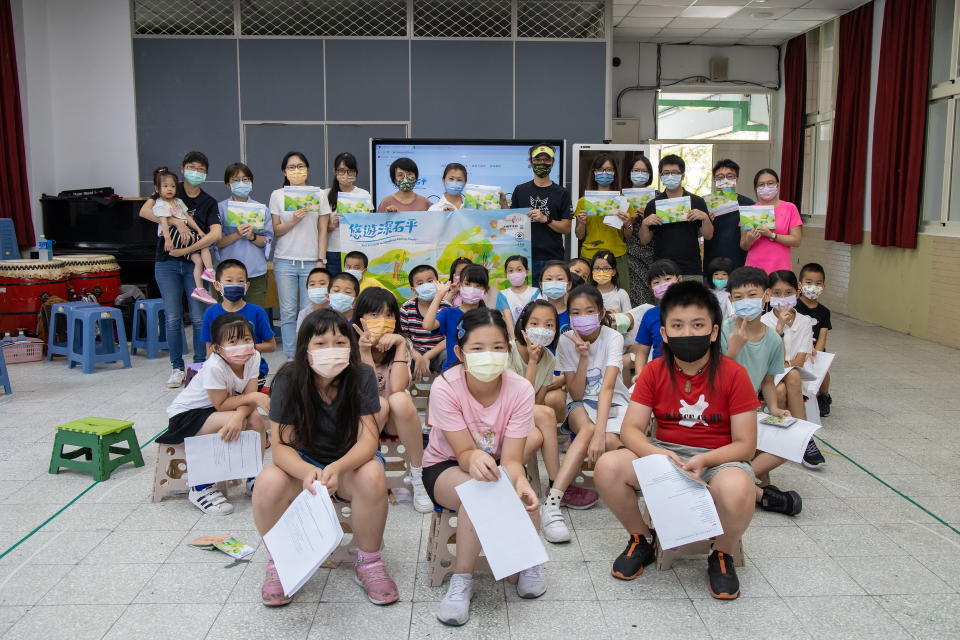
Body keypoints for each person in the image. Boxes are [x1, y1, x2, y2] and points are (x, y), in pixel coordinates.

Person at [594, 281, 759, 599]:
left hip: (719, 458)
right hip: (664, 454)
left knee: (739, 489)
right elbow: (630, 431)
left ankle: (721, 553)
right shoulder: (654, 371)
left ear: (713, 332)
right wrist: (660, 456)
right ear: (665, 333)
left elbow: (745, 444)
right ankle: (642, 539)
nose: (687, 333)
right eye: (678, 326)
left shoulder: (733, 374)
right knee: (608, 467)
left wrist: (705, 460)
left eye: (697, 325)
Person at [253, 309, 399, 607]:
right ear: (305, 349)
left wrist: (337, 467)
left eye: (339, 342)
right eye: (320, 343)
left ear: (350, 346)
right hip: (301, 462)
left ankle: (369, 562)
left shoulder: (361, 376)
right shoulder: (288, 379)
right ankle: (280, 563)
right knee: (267, 481)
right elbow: (280, 447)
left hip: (349, 464)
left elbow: (368, 440)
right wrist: (307, 470)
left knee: (373, 474)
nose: (331, 350)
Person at [421, 308, 546, 626]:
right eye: (477, 348)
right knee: (476, 493)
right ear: (460, 353)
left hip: (500, 462)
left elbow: (515, 459)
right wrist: (474, 458)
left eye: (497, 347)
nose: (488, 355)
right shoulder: (445, 387)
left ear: (508, 349)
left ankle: (528, 561)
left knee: (522, 491)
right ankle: (462, 580)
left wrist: (519, 482)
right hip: (446, 464)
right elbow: (462, 451)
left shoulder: (520, 389)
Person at [160, 313, 268, 515]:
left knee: (256, 421)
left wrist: (240, 414)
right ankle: (200, 487)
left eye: (246, 339)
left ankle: (254, 478)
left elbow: (249, 396)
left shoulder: (254, 357)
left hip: (218, 409)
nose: (242, 346)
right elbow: (222, 404)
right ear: (217, 348)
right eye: (232, 341)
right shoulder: (214, 365)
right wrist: (239, 414)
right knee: (235, 420)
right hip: (187, 415)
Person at [510, 300, 599, 545]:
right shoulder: (507, 350)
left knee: (543, 421)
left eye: (549, 324)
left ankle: (554, 487)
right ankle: (558, 486)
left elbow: (537, 400)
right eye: (535, 323)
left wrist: (538, 362)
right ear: (523, 326)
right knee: (547, 415)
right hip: (503, 414)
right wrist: (530, 361)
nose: (542, 329)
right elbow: (520, 400)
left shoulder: (548, 358)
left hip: (526, 416)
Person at [720, 267, 804, 516]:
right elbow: (717, 379)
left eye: (752, 295)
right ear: (730, 301)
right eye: (738, 297)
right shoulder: (723, 330)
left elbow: (767, 381)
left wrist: (775, 408)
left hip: (750, 411)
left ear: (766, 296)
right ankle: (748, 480)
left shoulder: (773, 340)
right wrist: (733, 351)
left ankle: (742, 477)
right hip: (720, 409)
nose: (746, 302)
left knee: (793, 440)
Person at [139, 151, 223, 387]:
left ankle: (198, 366)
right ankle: (176, 367)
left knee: (198, 318)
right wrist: (174, 221)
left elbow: (214, 234)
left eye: (201, 169)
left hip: (193, 263)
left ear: (205, 173)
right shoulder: (167, 188)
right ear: (183, 168)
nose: (195, 172)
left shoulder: (208, 202)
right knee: (174, 317)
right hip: (166, 263)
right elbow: (145, 211)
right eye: (192, 167)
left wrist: (187, 249)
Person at [352, 288, 432, 513]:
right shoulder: (348, 344)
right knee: (382, 403)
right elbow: (367, 394)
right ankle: (359, 474)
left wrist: (399, 345)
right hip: (361, 419)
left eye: (389, 315)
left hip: (394, 419)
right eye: (374, 315)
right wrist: (365, 352)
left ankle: (418, 476)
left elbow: (397, 386)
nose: (383, 321)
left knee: (398, 399)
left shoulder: (402, 343)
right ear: (361, 317)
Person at [557, 285, 632, 462]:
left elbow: (608, 388)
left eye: (589, 311)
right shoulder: (565, 341)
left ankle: (558, 488)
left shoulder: (613, 337)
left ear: (600, 313)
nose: (582, 317)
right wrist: (583, 357)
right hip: (581, 405)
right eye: (576, 313)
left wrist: (600, 433)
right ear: (569, 316)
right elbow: (575, 395)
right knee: (598, 435)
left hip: (614, 401)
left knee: (607, 439)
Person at [760, 270, 825, 469]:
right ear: (769, 294)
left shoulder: (805, 321)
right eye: (777, 293)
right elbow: (769, 360)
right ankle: (804, 439)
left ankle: (798, 439)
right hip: (769, 377)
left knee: (794, 375)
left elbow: (800, 359)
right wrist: (778, 329)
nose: (782, 298)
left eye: (787, 292)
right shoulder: (764, 322)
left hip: (794, 376)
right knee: (780, 388)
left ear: (797, 293)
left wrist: (787, 365)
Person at [270, 151, 329, 358]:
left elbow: (323, 229)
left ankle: (308, 355)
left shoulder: (319, 194)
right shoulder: (278, 195)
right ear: (284, 171)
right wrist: (293, 220)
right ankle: (290, 356)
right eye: (292, 167)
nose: (297, 170)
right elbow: (276, 230)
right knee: (287, 312)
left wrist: (321, 260)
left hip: (312, 260)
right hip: (285, 260)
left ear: (308, 169)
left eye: (301, 166)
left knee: (309, 311)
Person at [199, 259, 276, 389]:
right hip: (222, 370)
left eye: (240, 281)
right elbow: (209, 349)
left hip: (254, 369)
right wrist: (230, 350)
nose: (235, 284)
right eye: (229, 281)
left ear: (247, 285)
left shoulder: (257, 311)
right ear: (217, 285)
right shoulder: (211, 313)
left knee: (246, 402)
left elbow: (271, 345)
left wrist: (247, 348)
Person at [638, 154, 713, 280]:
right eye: (666, 173)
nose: (670, 176)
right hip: (662, 271)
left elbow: (709, 235)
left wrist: (705, 218)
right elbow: (644, 240)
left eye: (674, 172)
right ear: (661, 176)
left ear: (682, 175)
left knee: (694, 300)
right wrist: (645, 224)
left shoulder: (697, 201)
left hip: (690, 268)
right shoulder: (653, 204)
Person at [151, 167, 217, 304]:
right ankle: (210, 270)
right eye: (165, 186)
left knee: (198, 260)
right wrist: (168, 241)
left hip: (185, 236)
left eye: (173, 186)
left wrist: (199, 230)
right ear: (157, 189)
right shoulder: (160, 203)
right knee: (204, 244)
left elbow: (188, 217)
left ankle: (200, 289)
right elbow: (163, 222)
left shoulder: (178, 201)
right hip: (173, 236)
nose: (169, 189)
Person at [510, 144, 573, 283]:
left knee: (552, 299)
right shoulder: (520, 190)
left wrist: (546, 219)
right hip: (524, 257)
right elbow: (512, 222)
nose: (542, 163)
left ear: (553, 162)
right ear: (531, 161)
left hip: (552, 257)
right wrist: (503, 205)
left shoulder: (562, 193)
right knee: (525, 300)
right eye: (538, 159)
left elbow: (567, 228)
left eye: (546, 160)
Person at [574, 153, 633, 294]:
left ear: (614, 173)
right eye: (600, 169)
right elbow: (579, 235)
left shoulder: (622, 200)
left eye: (609, 169)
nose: (604, 173)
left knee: (620, 296)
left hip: (617, 255)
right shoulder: (584, 201)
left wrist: (627, 223)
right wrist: (581, 223)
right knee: (588, 298)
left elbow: (628, 235)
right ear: (594, 172)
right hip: (590, 256)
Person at [216, 162, 273, 307]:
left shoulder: (261, 209)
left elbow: (266, 240)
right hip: (227, 274)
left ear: (251, 183)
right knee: (227, 317)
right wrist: (237, 234)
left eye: (246, 179)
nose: (241, 183)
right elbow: (216, 242)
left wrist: (251, 236)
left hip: (255, 273)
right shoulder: (220, 208)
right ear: (228, 184)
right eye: (236, 180)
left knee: (253, 316)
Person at [422, 264, 489, 371]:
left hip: (480, 370)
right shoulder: (449, 313)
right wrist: (439, 295)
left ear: (485, 289)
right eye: (467, 284)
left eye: (478, 285)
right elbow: (427, 325)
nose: (472, 289)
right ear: (459, 285)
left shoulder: (489, 317)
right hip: (451, 371)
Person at [741, 168, 802, 273]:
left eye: (770, 183)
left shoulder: (790, 208)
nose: (766, 187)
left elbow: (796, 241)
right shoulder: (750, 211)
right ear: (756, 188)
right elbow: (743, 245)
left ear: (777, 185)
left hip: (780, 268)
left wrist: (772, 235)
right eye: (761, 184)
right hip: (754, 268)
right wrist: (749, 240)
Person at [630, 259, 682, 380]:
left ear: (679, 280)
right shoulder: (650, 315)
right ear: (651, 288)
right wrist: (640, 376)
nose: (662, 284)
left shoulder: (693, 310)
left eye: (668, 279)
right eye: (656, 282)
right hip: (658, 375)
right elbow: (642, 351)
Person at [794, 262, 833, 416]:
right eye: (808, 282)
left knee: (822, 371)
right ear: (800, 284)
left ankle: (824, 396)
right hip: (797, 349)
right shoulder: (794, 307)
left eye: (818, 283)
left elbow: (823, 335)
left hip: (815, 350)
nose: (813, 287)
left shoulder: (824, 312)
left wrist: (817, 352)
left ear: (824, 286)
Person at [324, 152, 372, 275]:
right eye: (341, 171)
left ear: (355, 172)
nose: (346, 175)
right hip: (333, 251)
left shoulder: (364, 195)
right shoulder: (325, 194)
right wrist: (332, 225)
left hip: (356, 251)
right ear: (335, 171)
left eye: (350, 171)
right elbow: (318, 229)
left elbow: (370, 223)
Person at [399, 265, 450, 378]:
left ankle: (446, 385)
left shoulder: (446, 307)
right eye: (420, 283)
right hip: (414, 351)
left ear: (438, 283)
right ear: (414, 290)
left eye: (430, 281)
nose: (426, 285)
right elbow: (404, 338)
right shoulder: (406, 309)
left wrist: (427, 356)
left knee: (449, 354)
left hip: (438, 352)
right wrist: (417, 356)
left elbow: (449, 339)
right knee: (400, 356)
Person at [703, 159, 752, 271]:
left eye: (729, 176)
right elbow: (698, 233)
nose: (724, 180)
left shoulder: (748, 204)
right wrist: (706, 220)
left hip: (740, 264)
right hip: (712, 264)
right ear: (714, 180)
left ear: (737, 179)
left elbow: (751, 239)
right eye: (720, 177)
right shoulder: (705, 203)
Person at [624, 153, 658, 305]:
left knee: (654, 293)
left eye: (644, 171)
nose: (639, 174)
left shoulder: (657, 197)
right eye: (636, 170)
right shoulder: (621, 196)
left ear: (650, 174)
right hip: (630, 251)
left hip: (653, 252)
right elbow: (616, 227)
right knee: (635, 296)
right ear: (630, 173)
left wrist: (648, 215)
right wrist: (629, 219)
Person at [496, 254, 540, 337]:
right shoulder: (503, 294)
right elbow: (508, 320)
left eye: (519, 270)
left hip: (532, 337)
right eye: (511, 271)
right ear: (506, 274)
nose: (515, 273)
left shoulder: (535, 292)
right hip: (512, 338)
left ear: (526, 272)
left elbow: (535, 317)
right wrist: (515, 341)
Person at [538, 260, 573, 334]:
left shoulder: (574, 313)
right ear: (541, 285)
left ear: (569, 285)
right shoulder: (535, 312)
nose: (554, 282)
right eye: (549, 279)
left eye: (560, 279)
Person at [296, 267, 331, 333]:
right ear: (307, 289)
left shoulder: (338, 311)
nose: (317, 287)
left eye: (322, 283)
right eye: (312, 284)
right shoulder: (304, 314)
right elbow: (300, 340)